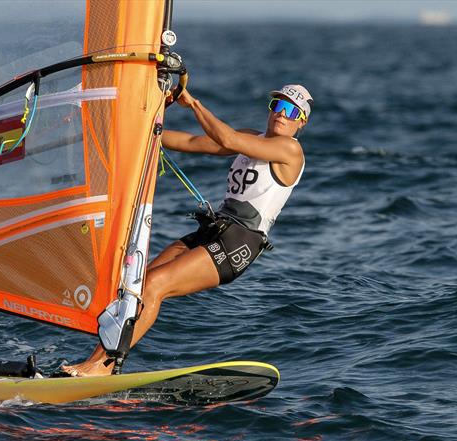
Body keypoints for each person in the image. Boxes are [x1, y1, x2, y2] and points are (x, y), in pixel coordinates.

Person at [62, 84, 313, 376]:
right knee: (136, 286)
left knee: (155, 285)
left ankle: (105, 367)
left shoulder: (290, 150)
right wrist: (144, 134)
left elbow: (225, 136)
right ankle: (92, 363)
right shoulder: (250, 138)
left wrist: (192, 103)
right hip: (215, 228)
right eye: (277, 106)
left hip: (239, 242)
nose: (282, 115)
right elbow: (194, 142)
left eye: (291, 111)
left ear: (301, 121)